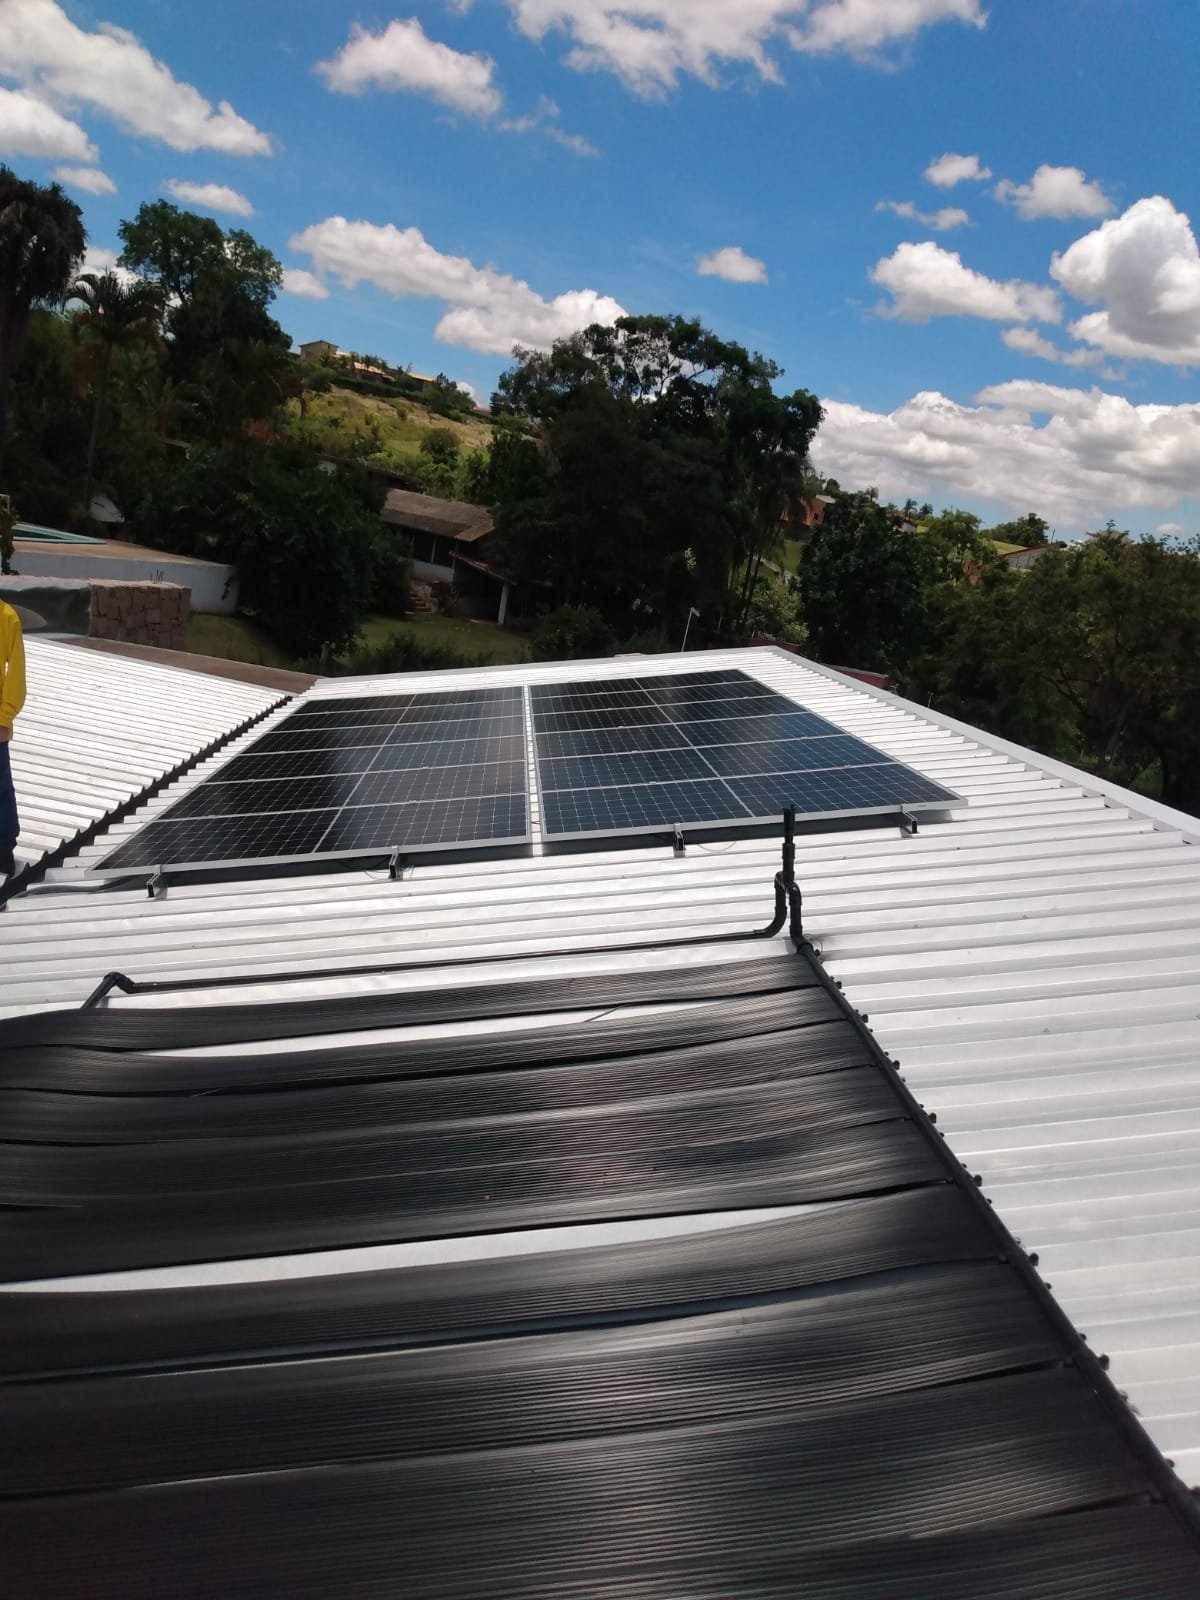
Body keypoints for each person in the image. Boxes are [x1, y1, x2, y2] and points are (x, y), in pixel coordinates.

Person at [0, 597, 26, 878]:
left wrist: (4, 717)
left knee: (0, 788)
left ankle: (3, 850)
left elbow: (16, 673)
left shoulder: (7, 618)